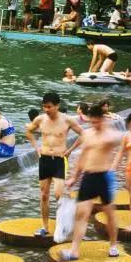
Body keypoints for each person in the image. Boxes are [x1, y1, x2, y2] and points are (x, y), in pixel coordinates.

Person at [61, 103, 123, 261]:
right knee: (82, 215)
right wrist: (74, 177)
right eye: (92, 122)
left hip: (104, 178)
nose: (94, 124)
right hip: (88, 177)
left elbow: (122, 143)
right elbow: (82, 157)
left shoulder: (111, 134)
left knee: (109, 215)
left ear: (102, 119)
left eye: (97, 121)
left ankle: (113, 244)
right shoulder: (87, 134)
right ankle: (74, 251)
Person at [26, 93, 84, 235]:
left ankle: (66, 217)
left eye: (49, 107)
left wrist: (70, 150)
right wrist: (36, 147)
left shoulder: (67, 120)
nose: (46, 109)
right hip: (44, 160)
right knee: (44, 195)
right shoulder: (40, 119)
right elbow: (28, 131)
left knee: (58, 194)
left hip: (59, 160)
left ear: (57, 106)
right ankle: (45, 227)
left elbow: (84, 134)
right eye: (44, 106)